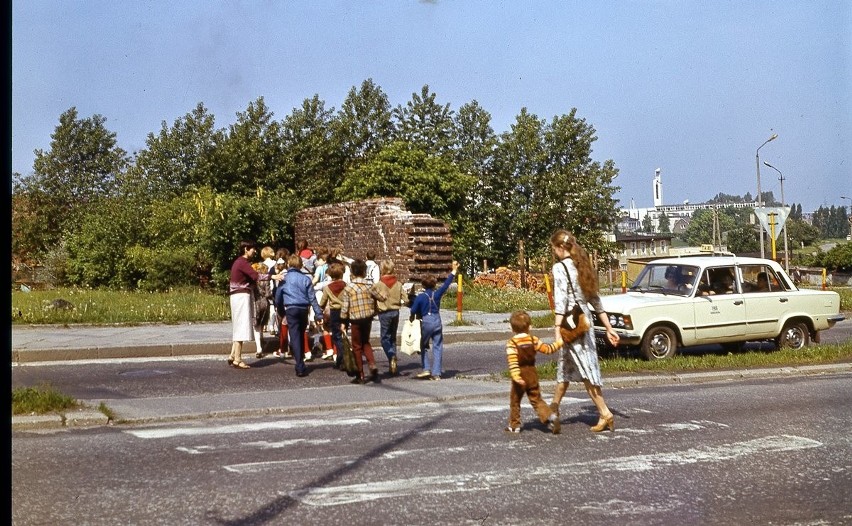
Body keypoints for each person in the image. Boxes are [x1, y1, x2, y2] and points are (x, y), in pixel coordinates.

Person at [549, 229, 620, 432]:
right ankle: (553, 409)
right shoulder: (583, 265)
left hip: (571, 325)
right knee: (566, 369)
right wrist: (608, 327)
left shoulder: (560, 268)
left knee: (586, 370)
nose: (554, 253)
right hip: (584, 321)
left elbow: (561, 300)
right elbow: (595, 299)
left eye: (554, 248)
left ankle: (605, 413)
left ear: (561, 247)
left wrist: (556, 329)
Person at [505, 310, 564, 434]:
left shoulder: (512, 343)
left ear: (512, 328)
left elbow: (513, 361)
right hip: (532, 373)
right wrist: (559, 343)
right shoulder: (534, 340)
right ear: (530, 327)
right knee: (536, 399)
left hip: (520, 374)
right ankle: (550, 416)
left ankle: (514, 425)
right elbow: (548, 349)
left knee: (515, 400)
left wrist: (516, 376)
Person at [409, 260, 460, 380]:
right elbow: (446, 284)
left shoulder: (421, 297)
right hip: (437, 321)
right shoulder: (437, 294)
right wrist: (454, 270)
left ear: (423, 285)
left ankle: (426, 368)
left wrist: (413, 316)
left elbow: (413, 310)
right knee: (437, 346)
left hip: (426, 321)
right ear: (434, 285)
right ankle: (436, 373)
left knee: (423, 345)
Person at [274, 254, 323, 377]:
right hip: (303, 309)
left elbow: (278, 298)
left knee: (294, 335)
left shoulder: (284, 279)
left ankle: (299, 364)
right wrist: (318, 314)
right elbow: (312, 298)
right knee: (301, 334)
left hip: (291, 308)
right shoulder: (306, 279)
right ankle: (301, 360)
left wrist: (281, 311)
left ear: (289, 264)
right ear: (300, 265)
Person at [341, 259, 380, 384]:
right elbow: (382, 296)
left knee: (357, 346)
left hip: (355, 319)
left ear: (352, 272)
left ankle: (360, 374)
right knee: (366, 342)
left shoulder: (349, 288)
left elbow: (345, 307)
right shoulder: (369, 286)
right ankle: (372, 363)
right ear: (364, 271)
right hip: (368, 317)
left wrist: (343, 322)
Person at [227, 240, 260, 369]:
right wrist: (273, 276)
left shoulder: (238, 262)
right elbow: (256, 276)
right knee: (241, 326)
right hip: (241, 296)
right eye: (253, 249)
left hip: (236, 296)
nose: (255, 251)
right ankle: (238, 359)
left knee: (237, 325)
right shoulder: (243, 262)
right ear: (246, 249)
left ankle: (232, 355)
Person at [371, 259, 406, 375]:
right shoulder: (399, 284)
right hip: (395, 312)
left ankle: (391, 356)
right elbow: (405, 299)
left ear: (382, 270)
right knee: (393, 338)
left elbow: (372, 295)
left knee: (384, 338)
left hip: (384, 313)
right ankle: (393, 362)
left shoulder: (378, 285)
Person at [319, 262, 347, 369]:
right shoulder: (345, 286)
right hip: (345, 311)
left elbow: (322, 302)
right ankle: (341, 359)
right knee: (344, 334)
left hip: (334, 312)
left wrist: (320, 311)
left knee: (336, 336)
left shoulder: (327, 288)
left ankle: (342, 357)